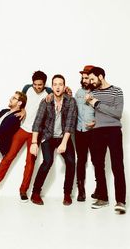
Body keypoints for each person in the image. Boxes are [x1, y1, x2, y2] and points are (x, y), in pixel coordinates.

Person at [0, 71, 52, 201]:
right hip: (21, 129)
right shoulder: (26, 88)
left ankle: (23, 190)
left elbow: (54, 92)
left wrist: (53, 92)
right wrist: (23, 110)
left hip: (35, 133)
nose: (38, 87)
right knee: (8, 157)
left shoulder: (48, 92)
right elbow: (21, 102)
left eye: (40, 85)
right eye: (35, 84)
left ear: (44, 84)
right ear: (32, 83)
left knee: (30, 163)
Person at [30, 74, 77, 206]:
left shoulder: (70, 101)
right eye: (55, 84)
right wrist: (34, 143)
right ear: (52, 86)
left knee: (71, 162)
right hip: (48, 136)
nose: (57, 87)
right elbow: (37, 122)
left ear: (64, 86)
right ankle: (35, 193)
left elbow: (69, 124)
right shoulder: (46, 101)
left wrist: (64, 143)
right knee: (47, 161)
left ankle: (67, 193)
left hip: (63, 137)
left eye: (60, 84)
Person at [85, 67, 126, 214]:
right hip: (97, 131)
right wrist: (94, 121)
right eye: (89, 79)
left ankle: (120, 201)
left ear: (100, 77)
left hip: (114, 131)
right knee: (98, 164)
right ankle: (103, 198)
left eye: (92, 79)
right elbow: (97, 113)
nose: (90, 81)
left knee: (117, 165)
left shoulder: (117, 91)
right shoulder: (92, 93)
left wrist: (96, 103)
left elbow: (117, 113)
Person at [74, 65, 97, 202]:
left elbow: (102, 112)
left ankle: (99, 188)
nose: (84, 80)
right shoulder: (79, 92)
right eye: (83, 78)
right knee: (81, 160)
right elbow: (73, 107)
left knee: (96, 160)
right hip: (79, 131)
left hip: (93, 132)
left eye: (87, 77)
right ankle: (81, 190)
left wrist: (96, 122)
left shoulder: (98, 92)